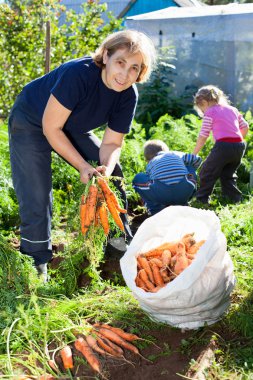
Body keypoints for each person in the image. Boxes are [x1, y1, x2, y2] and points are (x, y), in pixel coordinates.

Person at [8, 29, 156, 280]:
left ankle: (118, 246)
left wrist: (104, 171)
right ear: (107, 55)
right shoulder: (79, 75)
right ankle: (36, 263)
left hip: (72, 126)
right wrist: (82, 166)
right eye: (121, 62)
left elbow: (111, 144)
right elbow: (50, 128)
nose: (125, 73)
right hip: (31, 121)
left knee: (113, 177)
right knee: (37, 194)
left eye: (134, 68)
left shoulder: (128, 95)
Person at [193, 85, 249, 205]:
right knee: (228, 174)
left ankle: (202, 200)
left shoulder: (210, 112)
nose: (203, 112)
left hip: (223, 146)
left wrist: (194, 153)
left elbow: (203, 135)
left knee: (206, 171)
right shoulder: (232, 109)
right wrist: (236, 140)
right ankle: (233, 199)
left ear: (203, 102)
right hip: (239, 146)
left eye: (202, 109)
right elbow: (245, 126)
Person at [132, 140, 202, 215]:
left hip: (161, 194)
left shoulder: (151, 162)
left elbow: (151, 179)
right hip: (184, 191)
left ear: (147, 160)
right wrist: (186, 168)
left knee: (138, 178)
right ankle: (184, 202)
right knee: (190, 167)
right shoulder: (176, 155)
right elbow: (197, 159)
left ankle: (155, 209)